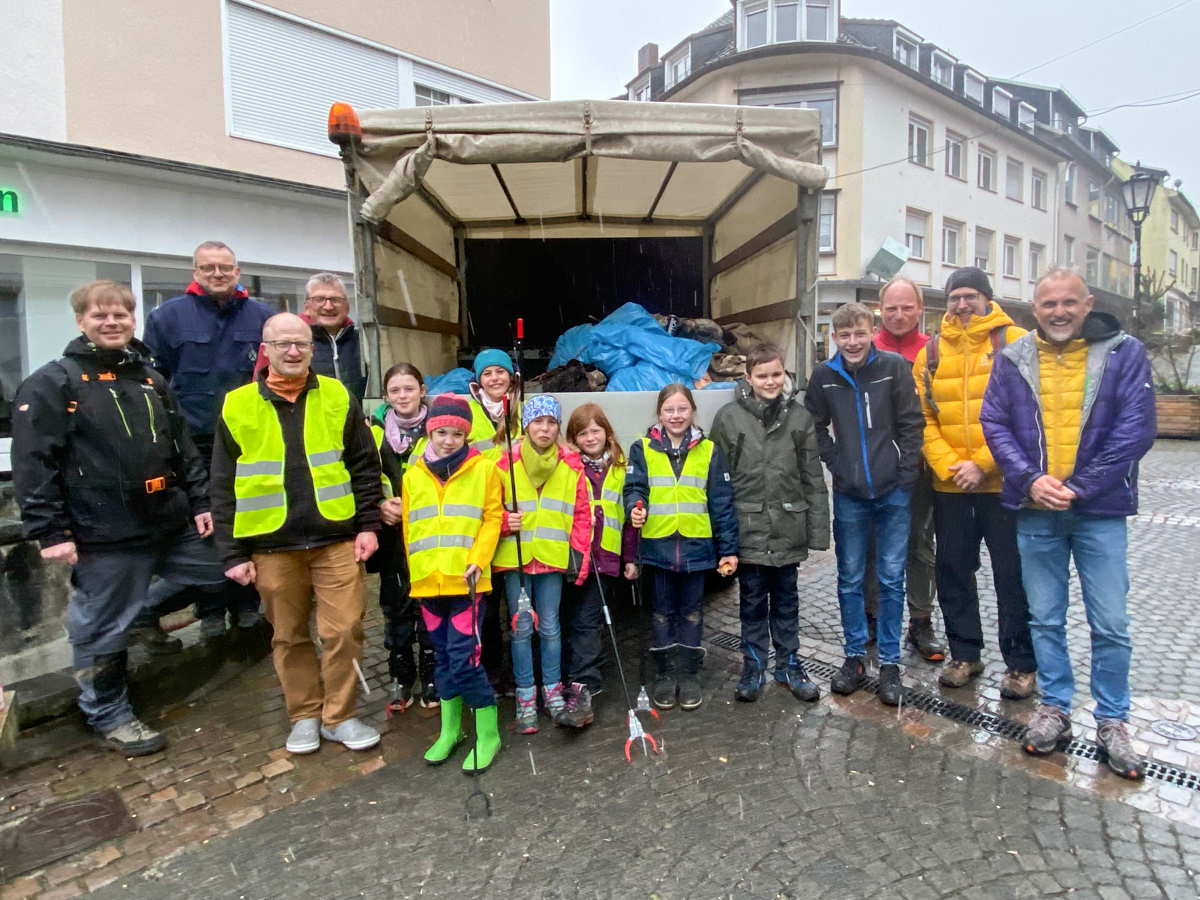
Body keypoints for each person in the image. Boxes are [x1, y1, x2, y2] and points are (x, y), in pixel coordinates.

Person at [12, 281, 226, 756]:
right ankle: (108, 714)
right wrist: (49, 530)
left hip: (168, 521)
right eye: (99, 316)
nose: (111, 323)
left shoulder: (150, 379)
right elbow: (33, 462)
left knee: (230, 570)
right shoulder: (55, 382)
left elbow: (183, 449)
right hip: (103, 532)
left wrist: (201, 503)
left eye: (120, 315)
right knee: (101, 629)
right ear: (80, 321)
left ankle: (145, 610)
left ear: (133, 320)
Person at [981, 269, 1156, 780]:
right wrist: (1031, 479)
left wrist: (1078, 487)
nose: (1059, 312)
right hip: (1036, 509)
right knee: (1044, 618)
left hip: (1098, 512)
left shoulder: (1124, 352)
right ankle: (1055, 707)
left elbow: (1136, 429)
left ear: (1087, 304)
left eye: (1068, 303)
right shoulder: (1013, 359)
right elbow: (995, 422)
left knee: (1111, 623)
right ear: (1034, 310)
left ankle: (1113, 720)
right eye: (1049, 304)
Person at [210, 312, 383, 754]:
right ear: (264, 349)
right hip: (270, 544)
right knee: (288, 635)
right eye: (282, 343)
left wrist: (367, 524)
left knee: (344, 629)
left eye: (301, 344)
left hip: (336, 538)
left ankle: (339, 716)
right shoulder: (237, 404)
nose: (292, 351)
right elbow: (223, 483)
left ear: (312, 348)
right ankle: (304, 715)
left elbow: (364, 465)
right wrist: (232, 554)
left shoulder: (337, 396)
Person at [912, 267, 1037, 698]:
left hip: (1004, 486)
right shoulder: (929, 354)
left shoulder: (1018, 342)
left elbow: (1030, 415)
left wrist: (984, 463)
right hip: (951, 488)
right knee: (953, 573)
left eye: (969, 296)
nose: (962, 305)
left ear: (987, 298)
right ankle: (966, 654)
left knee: (1012, 576)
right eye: (954, 298)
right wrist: (949, 466)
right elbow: (923, 420)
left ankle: (1021, 664)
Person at [143, 240, 275, 638]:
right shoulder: (167, 318)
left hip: (249, 439)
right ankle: (212, 607)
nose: (217, 274)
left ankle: (248, 603)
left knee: (251, 517)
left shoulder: (262, 317)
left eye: (225, 267)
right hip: (193, 443)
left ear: (237, 271)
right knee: (207, 526)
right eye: (208, 268)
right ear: (195, 272)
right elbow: (154, 383)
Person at [804, 302, 924, 707]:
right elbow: (815, 426)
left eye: (859, 333)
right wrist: (837, 463)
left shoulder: (893, 367)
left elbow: (912, 423)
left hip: (894, 492)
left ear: (872, 331)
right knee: (850, 578)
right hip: (850, 493)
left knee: (891, 579)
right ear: (833, 338)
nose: (852, 342)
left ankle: (889, 664)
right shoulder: (825, 375)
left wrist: (905, 475)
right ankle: (855, 656)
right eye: (844, 335)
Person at [711, 343, 830, 703]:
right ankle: (753, 664)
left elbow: (813, 478)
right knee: (750, 602)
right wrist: (722, 538)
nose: (770, 381)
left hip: (787, 526)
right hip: (747, 529)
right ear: (747, 377)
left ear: (786, 375)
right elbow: (718, 481)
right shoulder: (729, 419)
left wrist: (818, 532)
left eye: (776, 374)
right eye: (762, 375)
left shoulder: (800, 417)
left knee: (786, 600)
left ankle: (789, 663)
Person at [402, 394, 505, 772]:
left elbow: (492, 519)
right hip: (428, 582)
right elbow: (410, 527)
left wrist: (478, 561)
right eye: (441, 432)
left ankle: (488, 733)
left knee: (465, 658)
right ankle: (450, 731)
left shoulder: (485, 471)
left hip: (468, 584)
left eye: (456, 434)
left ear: (466, 435)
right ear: (430, 431)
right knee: (442, 658)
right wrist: (416, 572)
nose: (448, 440)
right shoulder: (413, 474)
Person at [625, 384, 738, 712]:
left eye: (682, 409)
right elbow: (634, 487)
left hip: (696, 548)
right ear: (659, 413)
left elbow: (721, 503)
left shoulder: (710, 451)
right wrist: (636, 504)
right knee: (661, 613)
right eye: (669, 410)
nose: (676, 416)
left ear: (692, 412)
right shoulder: (641, 448)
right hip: (658, 547)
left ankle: (688, 674)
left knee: (691, 612)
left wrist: (728, 549)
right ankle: (665, 673)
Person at [494, 394, 593, 733]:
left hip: (551, 558)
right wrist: (507, 523)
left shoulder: (571, 464)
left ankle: (551, 690)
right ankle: (525, 694)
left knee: (550, 627)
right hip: (516, 560)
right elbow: (489, 510)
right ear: (526, 426)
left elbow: (582, 515)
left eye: (551, 422)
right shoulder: (504, 463)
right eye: (538, 421)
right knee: (521, 630)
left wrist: (577, 559)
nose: (545, 428)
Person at [864, 277, 945, 661]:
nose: (898, 315)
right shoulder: (861, 348)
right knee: (872, 547)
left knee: (919, 546)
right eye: (891, 308)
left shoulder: (934, 353)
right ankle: (873, 618)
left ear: (920, 309)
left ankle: (920, 621)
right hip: (872, 470)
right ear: (881, 310)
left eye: (906, 307)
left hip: (920, 468)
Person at [555, 403, 640, 728]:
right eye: (582, 432)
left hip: (607, 557)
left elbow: (630, 520)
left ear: (607, 432)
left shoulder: (620, 468)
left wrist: (630, 558)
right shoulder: (569, 466)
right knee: (577, 620)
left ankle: (584, 681)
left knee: (587, 621)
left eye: (596, 430)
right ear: (573, 438)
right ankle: (578, 680)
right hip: (577, 557)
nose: (591, 437)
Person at [372, 363, 437, 712]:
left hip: (431, 533)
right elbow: (362, 477)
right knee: (395, 605)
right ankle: (400, 675)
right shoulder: (374, 433)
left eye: (409, 389)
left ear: (422, 390)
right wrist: (380, 505)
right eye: (395, 391)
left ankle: (431, 674)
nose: (402, 396)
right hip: (392, 536)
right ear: (386, 396)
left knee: (429, 603)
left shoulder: (439, 429)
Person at [302, 273, 366, 402]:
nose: (328, 306)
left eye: (336, 299)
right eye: (319, 299)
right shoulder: (293, 345)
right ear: (306, 307)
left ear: (347, 308)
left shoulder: (365, 341)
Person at [467, 348, 522, 460]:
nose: (494, 378)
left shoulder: (527, 409)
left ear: (511, 377)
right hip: (484, 477)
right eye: (487, 374)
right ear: (479, 381)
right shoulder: (467, 411)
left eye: (500, 372)